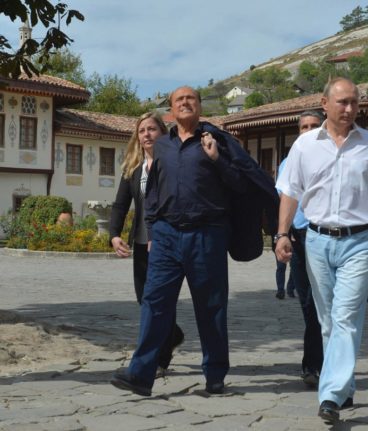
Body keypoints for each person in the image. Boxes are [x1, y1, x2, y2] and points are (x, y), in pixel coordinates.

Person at [111, 86, 278, 397]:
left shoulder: (216, 141)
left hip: (207, 236)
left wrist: (216, 159)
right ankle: (140, 374)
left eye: (191, 99)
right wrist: (152, 228)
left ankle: (215, 376)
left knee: (211, 307)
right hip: (166, 237)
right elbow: (155, 191)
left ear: (199, 107)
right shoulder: (163, 146)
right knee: (154, 304)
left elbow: (242, 183)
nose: (185, 103)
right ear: (171, 111)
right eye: (179, 100)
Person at [275, 78, 368, 424]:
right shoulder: (305, 146)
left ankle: (331, 395)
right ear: (325, 103)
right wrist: (281, 233)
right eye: (342, 102)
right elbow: (290, 192)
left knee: (346, 316)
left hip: (360, 241)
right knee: (326, 321)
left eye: (354, 102)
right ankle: (345, 386)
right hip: (317, 241)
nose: (349, 109)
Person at [109, 112, 184, 376]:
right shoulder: (133, 168)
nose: (147, 135)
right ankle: (173, 335)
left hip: (165, 243)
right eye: (142, 131)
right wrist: (114, 234)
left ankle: (160, 359)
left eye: (152, 129)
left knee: (161, 301)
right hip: (141, 245)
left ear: (162, 133)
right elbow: (120, 204)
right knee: (146, 300)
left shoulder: (173, 164)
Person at [278, 110, 325, 387]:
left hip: (329, 237)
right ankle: (312, 365)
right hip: (299, 238)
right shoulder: (288, 162)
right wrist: (282, 234)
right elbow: (283, 200)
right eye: (303, 126)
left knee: (330, 307)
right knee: (308, 305)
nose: (308, 130)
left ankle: (326, 364)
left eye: (314, 126)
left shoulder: (335, 156)